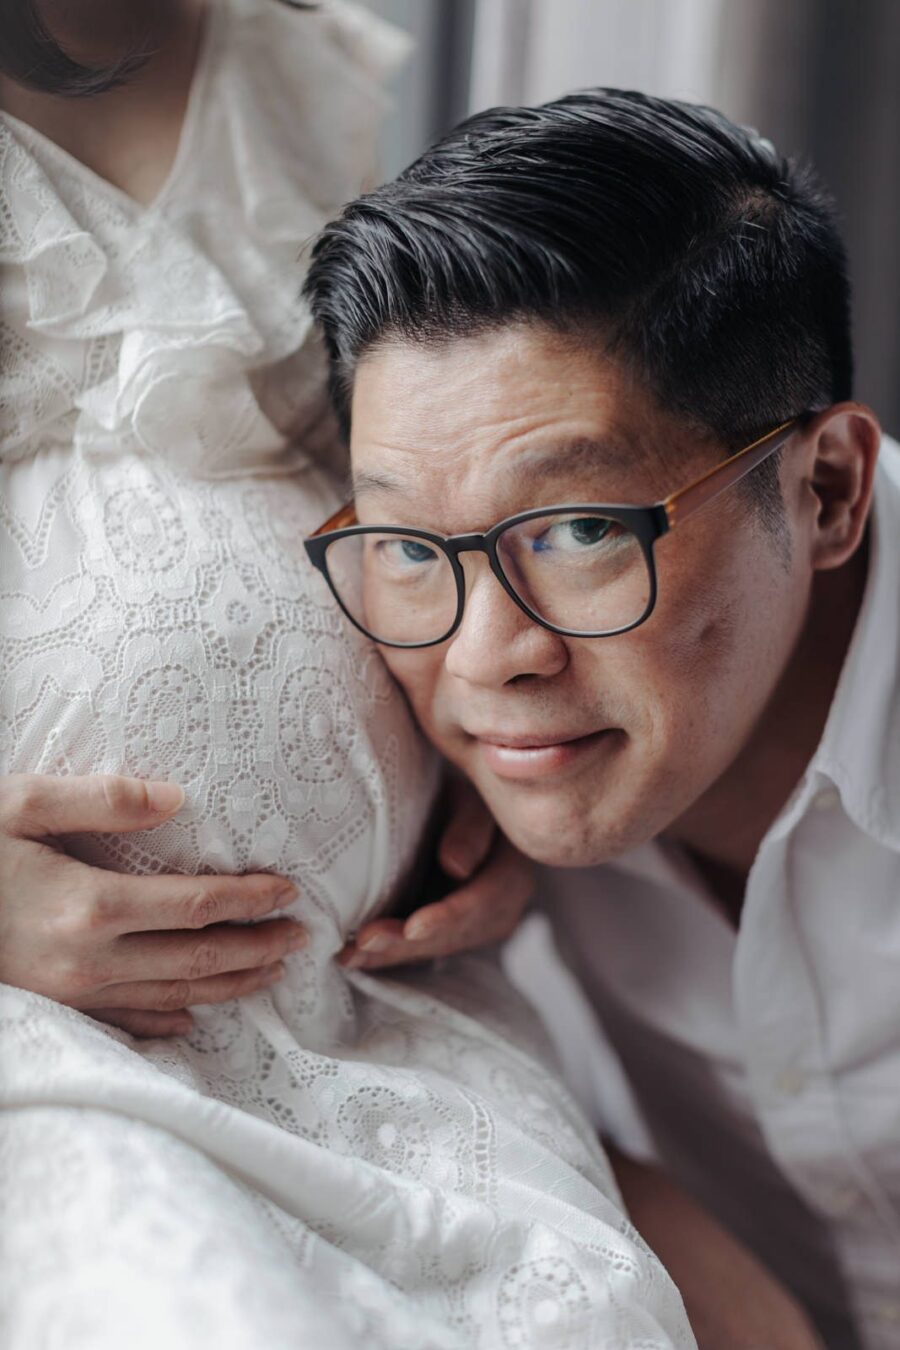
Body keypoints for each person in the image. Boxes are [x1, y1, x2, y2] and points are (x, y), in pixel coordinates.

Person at [0, 5, 698, 1347]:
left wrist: (480, 748)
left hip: (379, 998)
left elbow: (417, 463)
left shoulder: (287, 54)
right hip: (50, 1029)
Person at [297, 90, 896, 1350]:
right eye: (409, 542)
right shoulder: (470, 770)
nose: (486, 657)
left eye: (578, 532)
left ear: (829, 488)